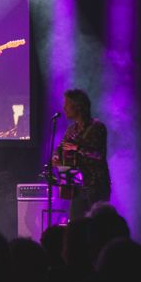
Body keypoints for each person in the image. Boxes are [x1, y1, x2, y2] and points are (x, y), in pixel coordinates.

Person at [51, 88, 110, 219]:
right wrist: (55, 157)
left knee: (96, 226)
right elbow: (60, 149)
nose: (64, 108)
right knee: (76, 226)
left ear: (78, 106)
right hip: (76, 187)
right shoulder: (71, 129)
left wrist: (77, 147)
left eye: (67, 104)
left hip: (96, 185)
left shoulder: (97, 127)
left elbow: (99, 154)